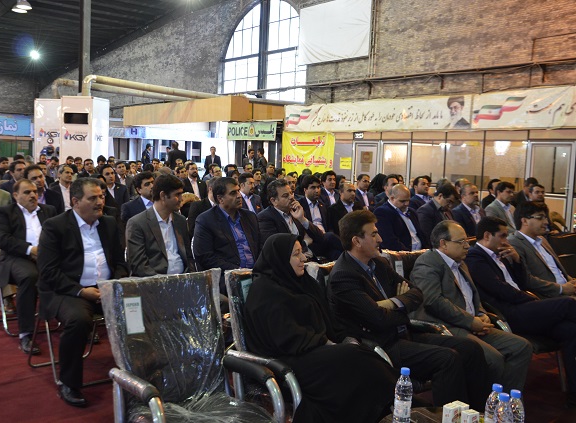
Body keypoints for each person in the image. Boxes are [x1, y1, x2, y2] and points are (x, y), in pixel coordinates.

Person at [328, 211, 490, 410]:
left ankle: (476, 414)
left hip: (405, 333)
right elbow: (378, 319)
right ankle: (449, 417)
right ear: (356, 241)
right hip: (382, 345)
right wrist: (402, 306)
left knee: (470, 348)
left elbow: (416, 293)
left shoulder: (379, 263)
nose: (380, 239)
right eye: (374, 234)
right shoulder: (343, 276)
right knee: (447, 359)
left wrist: (390, 303)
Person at [243, 234, 396, 422]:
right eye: (296, 254)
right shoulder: (264, 291)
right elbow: (284, 337)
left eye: (302, 252)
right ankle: (399, 401)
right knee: (355, 359)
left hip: (313, 350)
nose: (303, 258)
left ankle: (392, 406)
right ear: (280, 258)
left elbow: (327, 320)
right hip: (288, 360)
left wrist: (337, 339)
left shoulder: (302, 282)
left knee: (360, 357)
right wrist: (325, 342)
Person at [466, 216, 576, 407]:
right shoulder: (475, 257)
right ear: (487, 235)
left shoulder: (502, 253)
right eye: (502, 236)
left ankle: (574, 395)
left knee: (570, 330)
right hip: (510, 313)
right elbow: (501, 291)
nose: (506, 240)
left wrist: (517, 260)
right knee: (568, 304)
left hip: (524, 306)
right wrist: (532, 300)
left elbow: (524, 282)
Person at [409, 221, 533, 392]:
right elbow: (433, 301)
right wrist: (470, 321)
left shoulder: (461, 262)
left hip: (472, 323)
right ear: (443, 244)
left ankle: (506, 400)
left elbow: (472, 295)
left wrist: (481, 314)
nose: (467, 246)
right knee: (493, 359)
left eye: (467, 241)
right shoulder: (427, 263)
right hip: (448, 326)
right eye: (461, 242)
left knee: (521, 347)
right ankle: (487, 403)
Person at [38, 177, 128, 407]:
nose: (100, 202)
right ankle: (69, 382)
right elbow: (49, 272)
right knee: (78, 320)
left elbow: (120, 263)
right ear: (76, 201)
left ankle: (137, 373)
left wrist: (112, 284)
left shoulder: (108, 223)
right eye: (93, 198)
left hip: (106, 288)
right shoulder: (55, 226)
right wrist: (81, 291)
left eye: (101, 196)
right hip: (68, 291)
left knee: (138, 310)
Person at [0, 179, 57, 355]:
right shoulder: (5, 212)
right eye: (27, 192)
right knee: (30, 277)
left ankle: (78, 322)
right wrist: (30, 249)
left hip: (47, 257)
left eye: (35, 192)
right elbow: (2, 239)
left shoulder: (48, 211)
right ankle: (26, 334)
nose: (33, 195)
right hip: (17, 257)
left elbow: (59, 234)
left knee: (74, 267)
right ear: (16, 196)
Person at [192, 177, 260, 292]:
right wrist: (239, 271)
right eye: (233, 193)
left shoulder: (249, 217)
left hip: (256, 274)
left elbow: (260, 246)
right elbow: (206, 257)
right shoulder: (206, 220)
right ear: (220, 199)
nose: (239, 196)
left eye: (238, 191)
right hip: (227, 277)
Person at [126, 174, 194, 276]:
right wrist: (163, 282)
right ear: (162, 196)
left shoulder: (181, 221)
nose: (181, 199)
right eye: (177, 195)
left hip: (183, 279)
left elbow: (188, 257)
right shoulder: (137, 223)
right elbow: (139, 266)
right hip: (154, 281)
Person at [508, 201, 575, 293]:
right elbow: (527, 280)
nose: (546, 222)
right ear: (525, 221)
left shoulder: (542, 240)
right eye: (540, 218)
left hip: (566, 291)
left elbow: (556, 270)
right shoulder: (514, 243)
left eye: (545, 218)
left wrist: (571, 281)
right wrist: (561, 289)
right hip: (549, 296)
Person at [373, 184, 429, 251]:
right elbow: (389, 240)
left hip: (419, 252)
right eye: (402, 201)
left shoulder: (412, 212)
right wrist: (408, 254)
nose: (407, 204)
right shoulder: (382, 212)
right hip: (401, 254)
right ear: (392, 198)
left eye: (408, 200)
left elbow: (421, 235)